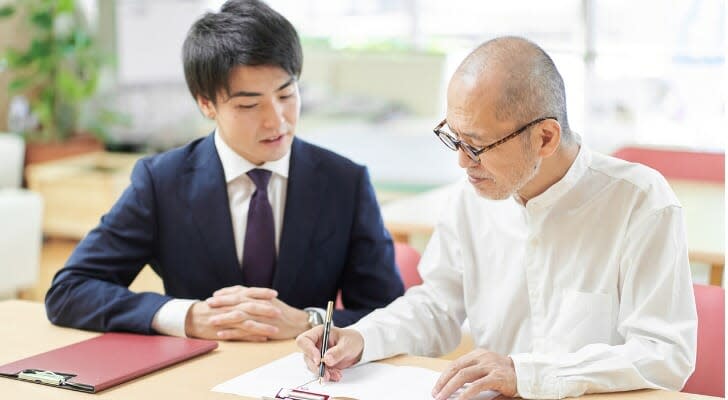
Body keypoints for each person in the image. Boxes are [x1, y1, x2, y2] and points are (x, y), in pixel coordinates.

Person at [297, 36, 697, 399]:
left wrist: (525, 373)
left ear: (545, 138)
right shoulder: (471, 199)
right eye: (453, 137)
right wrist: (362, 338)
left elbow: (664, 354)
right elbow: (436, 306)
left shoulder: (639, 201)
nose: (460, 161)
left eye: (476, 145)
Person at [45, 0, 404, 342]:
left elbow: (391, 314)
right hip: (197, 375)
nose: (276, 120)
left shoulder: (345, 182)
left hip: (307, 377)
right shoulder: (162, 182)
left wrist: (308, 321)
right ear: (207, 104)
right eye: (249, 104)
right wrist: (188, 317)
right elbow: (69, 290)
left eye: (286, 94)